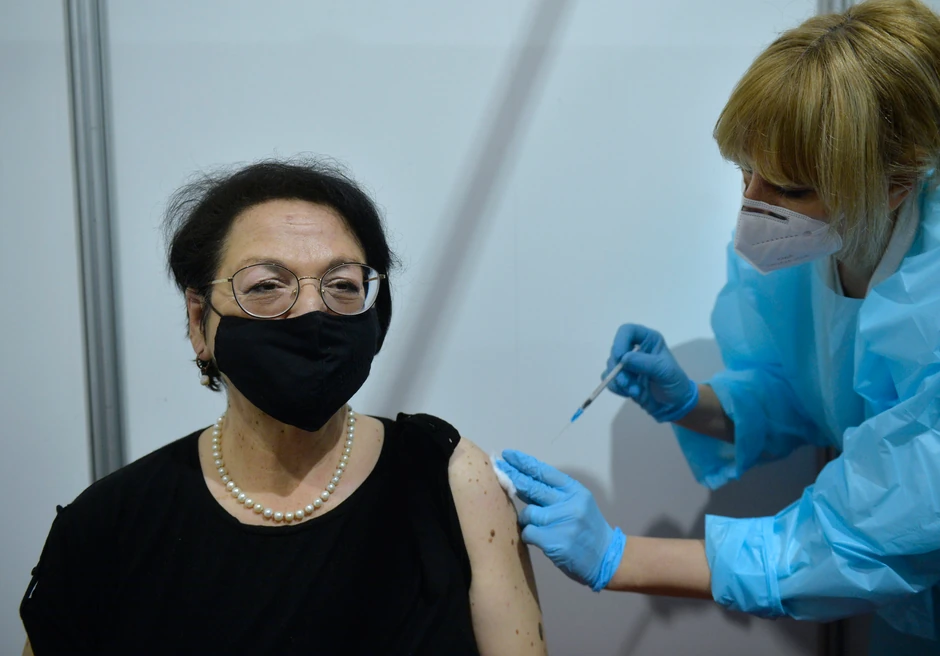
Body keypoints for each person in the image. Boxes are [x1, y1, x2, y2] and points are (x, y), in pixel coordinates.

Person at [496, 1, 940, 653]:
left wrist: (617, 556)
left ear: (895, 186)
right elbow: (808, 393)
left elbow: (857, 540)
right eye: (746, 172)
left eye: (789, 189)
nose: (753, 208)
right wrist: (693, 402)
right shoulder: (813, 249)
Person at [20, 159, 545, 655]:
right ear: (199, 320)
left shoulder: (449, 481)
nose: (313, 311)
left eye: (343, 284)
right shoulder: (108, 526)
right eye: (267, 286)